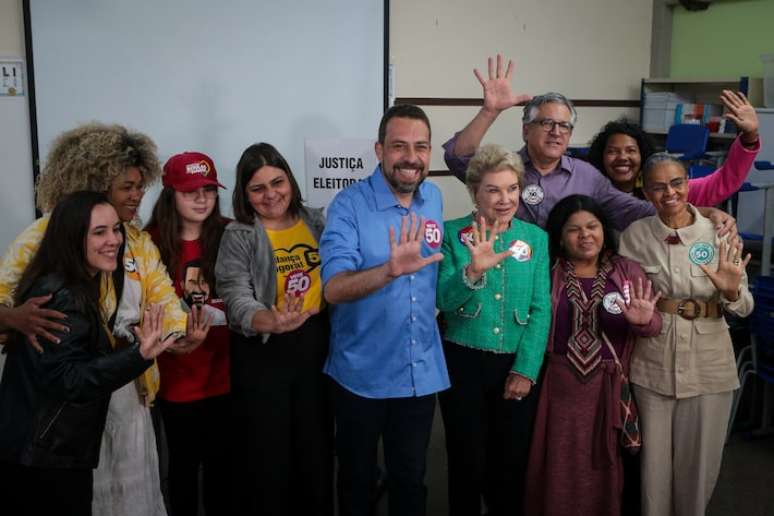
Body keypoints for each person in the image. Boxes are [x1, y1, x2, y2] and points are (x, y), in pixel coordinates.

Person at [0, 123, 207, 516]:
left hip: (128, 394)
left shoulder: (138, 241)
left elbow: (164, 302)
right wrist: (14, 317)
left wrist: (178, 335)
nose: (137, 195)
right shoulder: (45, 234)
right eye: (126, 186)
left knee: (132, 499)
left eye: (140, 184)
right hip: (61, 412)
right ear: (95, 184)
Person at [0, 191, 176, 516]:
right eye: (99, 232)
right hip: (44, 458)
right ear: (71, 238)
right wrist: (139, 356)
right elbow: (71, 381)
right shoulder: (63, 295)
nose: (114, 240)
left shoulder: (72, 284)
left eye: (116, 229)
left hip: (41, 452)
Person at [320, 104, 448, 516]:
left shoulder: (434, 199)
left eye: (421, 146)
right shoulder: (348, 205)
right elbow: (334, 290)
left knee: (411, 481)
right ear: (379, 150)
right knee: (357, 482)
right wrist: (389, 272)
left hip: (419, 371)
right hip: (361, 375)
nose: (411, 157)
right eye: (399, 146)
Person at [442, 55, 737, 234]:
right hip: (512, 275)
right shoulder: (506, 170)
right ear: (526, 130)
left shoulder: (587, 176)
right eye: (546, 123)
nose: (556, 132)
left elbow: (636, 210)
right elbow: (458, 158)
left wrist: (704, 213)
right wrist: (489, 111)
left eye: (564, 126)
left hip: (567, 281)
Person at [618, 154, 753, 516]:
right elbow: (628, 301)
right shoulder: (635, 236)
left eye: (677, 183)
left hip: (710, 364)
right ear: (646, 191)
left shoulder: (719, 232)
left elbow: (745, 306)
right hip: (652, 364)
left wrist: (730, 292)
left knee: (699, 467)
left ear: (688, 182)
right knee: (652, 470)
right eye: (659, 187)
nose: (670, 193)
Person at [524, 194, 662, 516]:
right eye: (574, 230)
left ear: (604, 230)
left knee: (604, 466)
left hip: (607, 389)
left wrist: (644, 322)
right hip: (556, 387)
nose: (585, 235)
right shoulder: (548, 270)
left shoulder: (625, 270)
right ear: (559, 236)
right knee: (555, 462)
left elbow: (653, 324)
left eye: (592, 226)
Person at [215, 142, 332, 515]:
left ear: (291, 181)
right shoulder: (240, 234)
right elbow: (235, 296)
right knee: (269, 459)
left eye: (277, 182)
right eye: (258, 188)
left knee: (315, 452)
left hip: (317, 347)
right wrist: (270, 320)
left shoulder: (318, 221)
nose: (271, 195)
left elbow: (341, 274)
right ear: (244, 195)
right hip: (264, 352)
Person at [435, 144, 550, 516]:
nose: (505, 199)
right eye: (493, 190)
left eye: (512, 189)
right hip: (463, 362)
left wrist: (526, 369)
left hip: (515, 364)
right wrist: (472, 272)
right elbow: (444, 299)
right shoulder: (452, 234)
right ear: (473, 192)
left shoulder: (536, 239)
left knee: (510, 463)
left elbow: (540, 309)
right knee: (466, 461)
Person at [145, 152, 229, 516]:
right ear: (170, 196)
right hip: (177, 379)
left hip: (227, 375)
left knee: (224, 473)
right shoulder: (148, 243)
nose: (201, 199)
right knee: (180, 471)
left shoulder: (231, 233)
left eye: (209, 189)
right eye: (190, 191)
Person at [586, 91, 760, 202]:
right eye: (612, 151)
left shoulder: (668, 191)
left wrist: (749, 136)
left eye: (631, 150)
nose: (622, 157)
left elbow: (722, 182)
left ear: (644, 155)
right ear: (600, 156)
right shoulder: (589, 194)